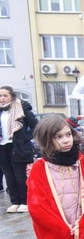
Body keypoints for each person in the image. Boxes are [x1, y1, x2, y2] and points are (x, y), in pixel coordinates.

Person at [0, 85, 37, 213]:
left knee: (20, 175)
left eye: (5, 96)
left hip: (18, 146)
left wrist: (25, 138)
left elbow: (35, 125)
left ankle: (24, 201)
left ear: (12, 96)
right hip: (2, 146)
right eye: (0, 96)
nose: (2, 98)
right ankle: (14, 202)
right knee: (8, 176)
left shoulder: (21, 108)